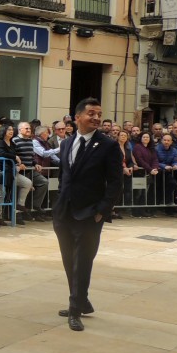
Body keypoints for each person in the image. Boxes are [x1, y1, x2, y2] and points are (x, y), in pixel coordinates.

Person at [53, 97, 122, 332]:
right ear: (77, 117)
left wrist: (102, 210)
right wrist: (59, 202)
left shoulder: (108, 145)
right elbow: (64, 177)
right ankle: (80, 300)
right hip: (64, 212)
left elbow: (115, 182)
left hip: (90, 214)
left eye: (99, 113)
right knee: (68, 260)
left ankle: (75, 309)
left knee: (82, 262)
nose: (96, 117)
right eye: (91, 113)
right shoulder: (66, 143)